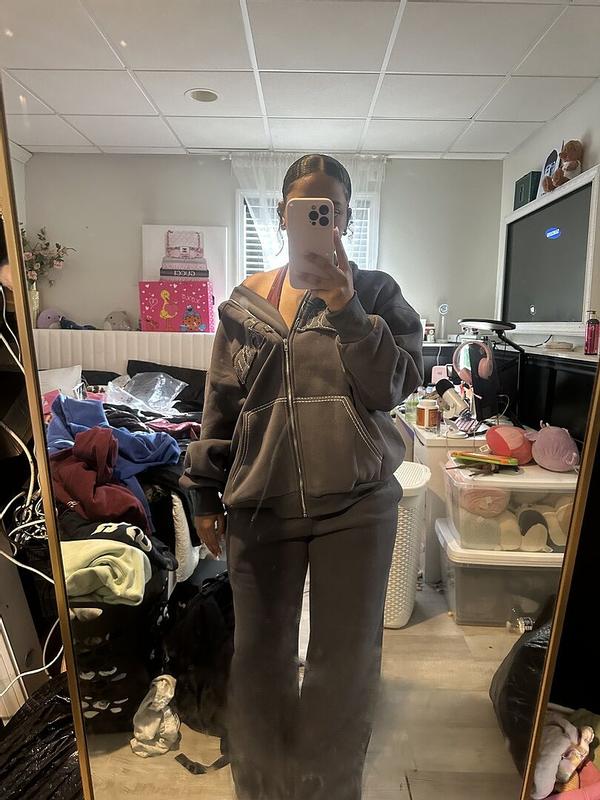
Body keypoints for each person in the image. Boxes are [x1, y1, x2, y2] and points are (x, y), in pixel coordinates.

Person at [181, 154, 424, 800]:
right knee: (259, 664)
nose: (323, 220)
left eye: (334, 210)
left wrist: (347, 308)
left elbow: (391, 387)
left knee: (343, 668)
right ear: (282, 216)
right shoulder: (244, 306)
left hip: (358, 505)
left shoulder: (377, 294)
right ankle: (263, 790)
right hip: (262, 505)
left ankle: (329, 790)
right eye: (307, 209)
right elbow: (220, 405)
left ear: (346, 219)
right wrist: (204, 491)